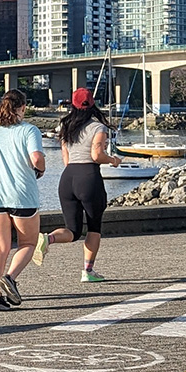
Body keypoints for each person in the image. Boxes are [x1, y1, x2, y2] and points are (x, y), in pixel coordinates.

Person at [33, 87, 122, 282]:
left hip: (68, 178)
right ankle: (88, 272)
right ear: (92, 104)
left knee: (72, 230)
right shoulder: (98, 128)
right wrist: (113, 160)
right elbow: (96, 155)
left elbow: (66, 160)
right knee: (93, 227)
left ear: (72, 104)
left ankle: (48, 238)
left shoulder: (66, 127)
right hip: (88, 177)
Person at [0, 89, 45, 311]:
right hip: (21, 195)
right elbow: (36, 158)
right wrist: (40, 168)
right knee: (28, 243)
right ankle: (10, 277)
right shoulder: (29, 130)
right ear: (22, 108)